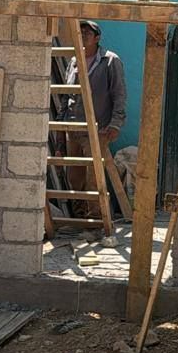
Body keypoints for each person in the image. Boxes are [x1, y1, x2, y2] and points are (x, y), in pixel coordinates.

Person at [62, 21, 127, 218]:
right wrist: (60, 127)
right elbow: (66, 96)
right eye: (79, 32)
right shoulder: (74, 62)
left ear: (97, 38)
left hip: (99, 128)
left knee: (93, 176)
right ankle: (80, 217)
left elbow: (119, 94)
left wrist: (116, 123)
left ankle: (96, 218)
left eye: (87, 33)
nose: (82, 36)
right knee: (74, 177)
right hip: (73, 127)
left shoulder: (109, 61)